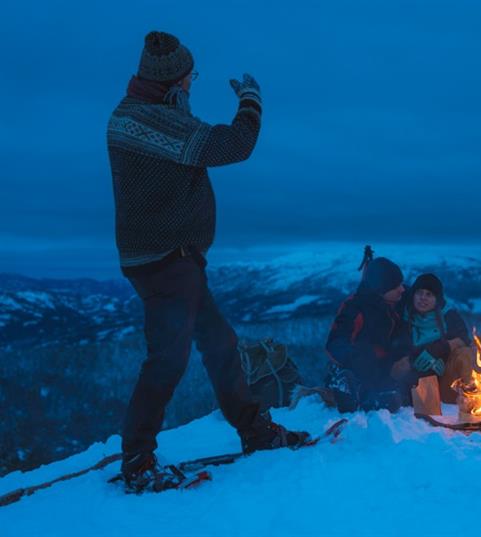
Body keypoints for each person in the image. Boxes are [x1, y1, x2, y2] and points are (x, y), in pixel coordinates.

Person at [107, 31, 308, 492]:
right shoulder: (153, 121)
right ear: (173, 82)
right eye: (189, 77)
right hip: (166, 260)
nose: (193, 84)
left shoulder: (135, 114)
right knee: (167, 360)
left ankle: (254, 431)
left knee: (219, 344)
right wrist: (251, 101)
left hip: (172, 259)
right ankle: (137, 461)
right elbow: (234, 145)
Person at [325, 257, 411, 412]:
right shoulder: (355, 308)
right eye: (396, 286)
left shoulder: (394, 301)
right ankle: (350, 390)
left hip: (383, 366)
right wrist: (356, 358)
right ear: (381, 290)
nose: (402, 289)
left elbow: (424, 295)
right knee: (364, 352)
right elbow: (334, 344)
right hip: (360, 367)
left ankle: (377, 394)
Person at [398, 273, 473, 404]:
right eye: (419, 293)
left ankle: (472, 398)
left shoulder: (448, 315)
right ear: (413, 295)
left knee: (474, 348)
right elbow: (399, 348)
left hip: (449, 380)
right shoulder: (404, 316)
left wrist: (438, 350)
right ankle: (424, 404)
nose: (423, 298)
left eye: (429, 294)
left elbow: (464, 339)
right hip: (420, 380)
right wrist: (420, 359)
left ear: (437, 298)